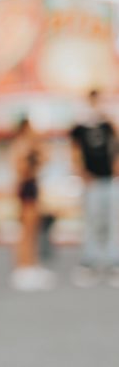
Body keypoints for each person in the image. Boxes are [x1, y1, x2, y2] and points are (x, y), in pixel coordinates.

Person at [70, 89, 119, 288]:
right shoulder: (80, 127)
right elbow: (74, 149)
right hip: (92, 181)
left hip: (110, 179)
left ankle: (112, 261)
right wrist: (81, 172)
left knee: (112, 222)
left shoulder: (108, 125)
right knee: (92, 221)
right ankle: (91, 262)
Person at [9, 118, 56, 291]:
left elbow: (45, 158)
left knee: (33, 230)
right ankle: (23, 266)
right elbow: (22, 170)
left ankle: (31, 265)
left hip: (31, 188)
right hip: (26, 189)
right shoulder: (21, 146)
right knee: (26, 231)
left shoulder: (30, 145)